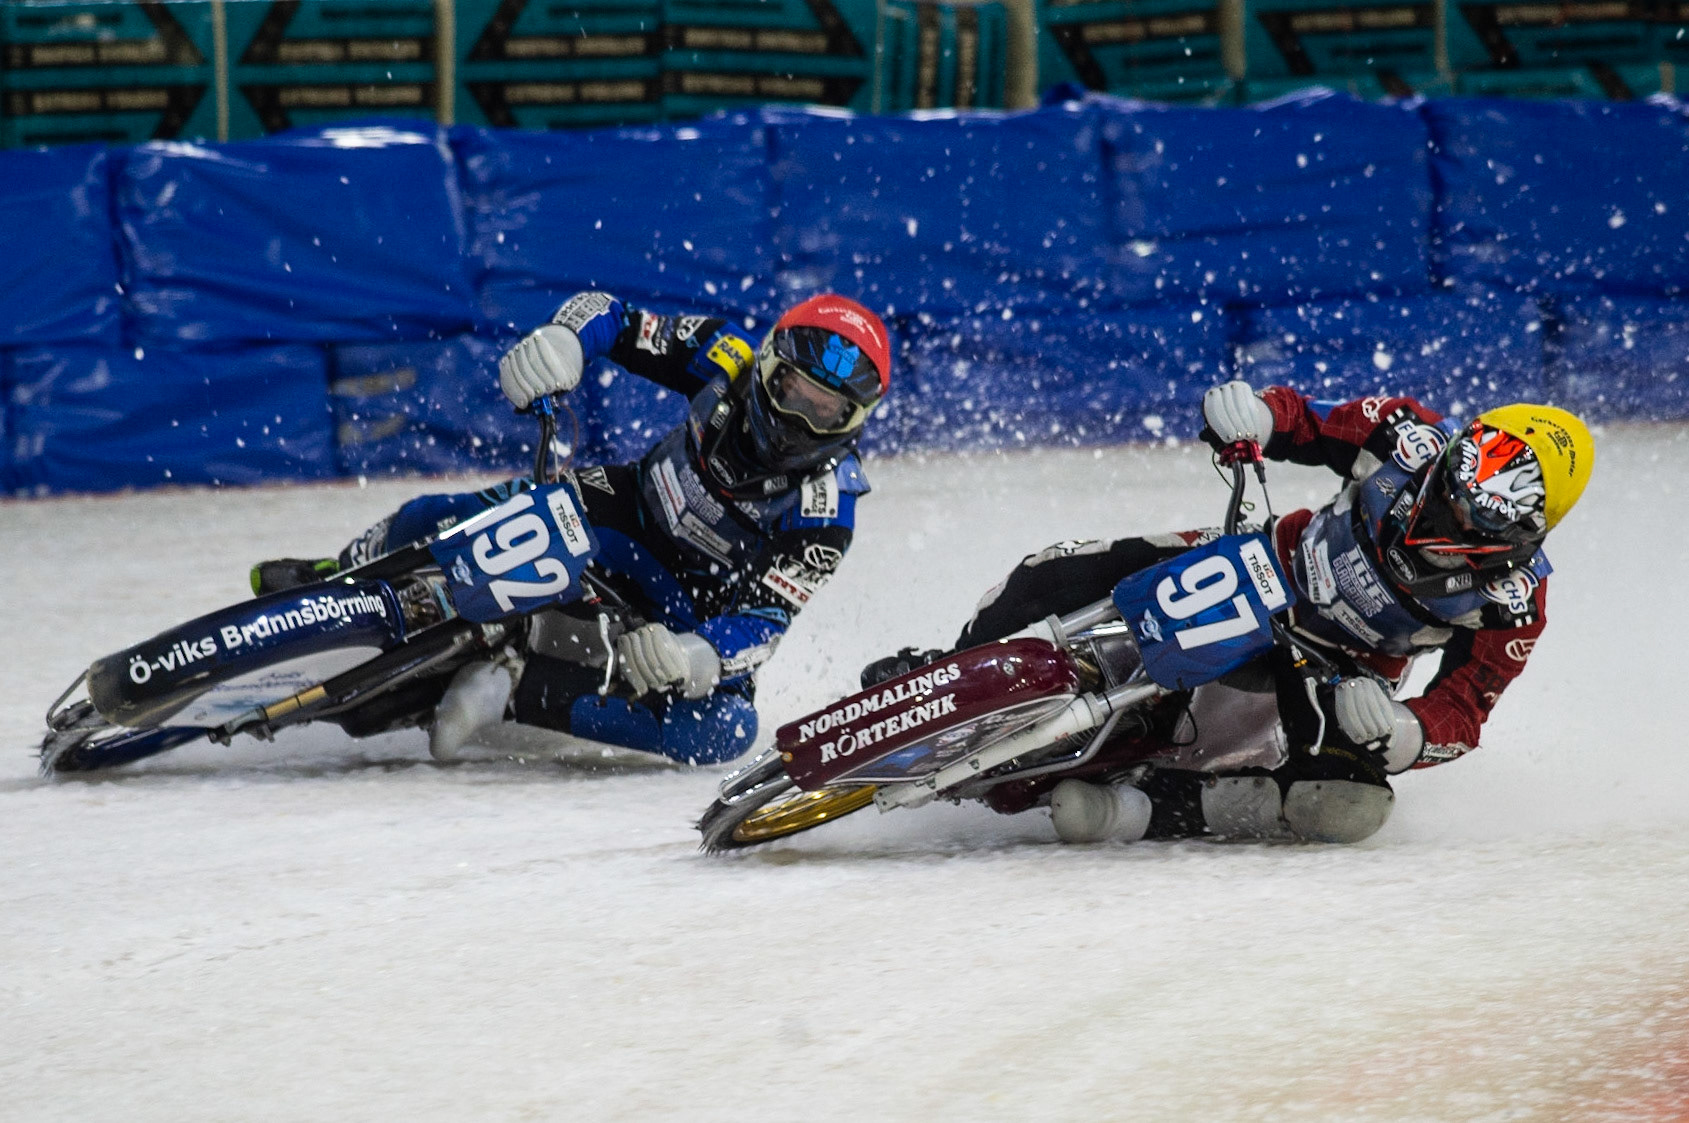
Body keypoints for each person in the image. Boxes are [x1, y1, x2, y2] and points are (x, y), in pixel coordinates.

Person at [864, 382, 1593, 846]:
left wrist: (1404, 730)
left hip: (1330, 668)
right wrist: (1256, 418)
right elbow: (1307, 423)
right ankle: (943, 668)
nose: (1448, 509)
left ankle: (1146, 807)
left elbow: (1463, 710)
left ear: (1523, 532)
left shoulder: (1513, 602)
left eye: (1476, 515)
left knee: (1348, 807)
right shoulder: (1404, 437)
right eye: (1454, 485)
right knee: (1048, 567)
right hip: (1258, 555)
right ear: (1459, 447)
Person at [256, 291, 891, 765]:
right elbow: (613, 315)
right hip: (627, 511)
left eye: (828, 412)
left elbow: (765, 624)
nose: (800, 421)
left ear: (857, 420)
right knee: (442, 514)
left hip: (688, 611)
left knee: (725, 731)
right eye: (792, 392)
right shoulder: (725, 356)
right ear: (767, 366)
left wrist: (697, 657)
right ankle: (335, 574)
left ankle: (515, 689)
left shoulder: (826, 508)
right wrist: (565, 339)